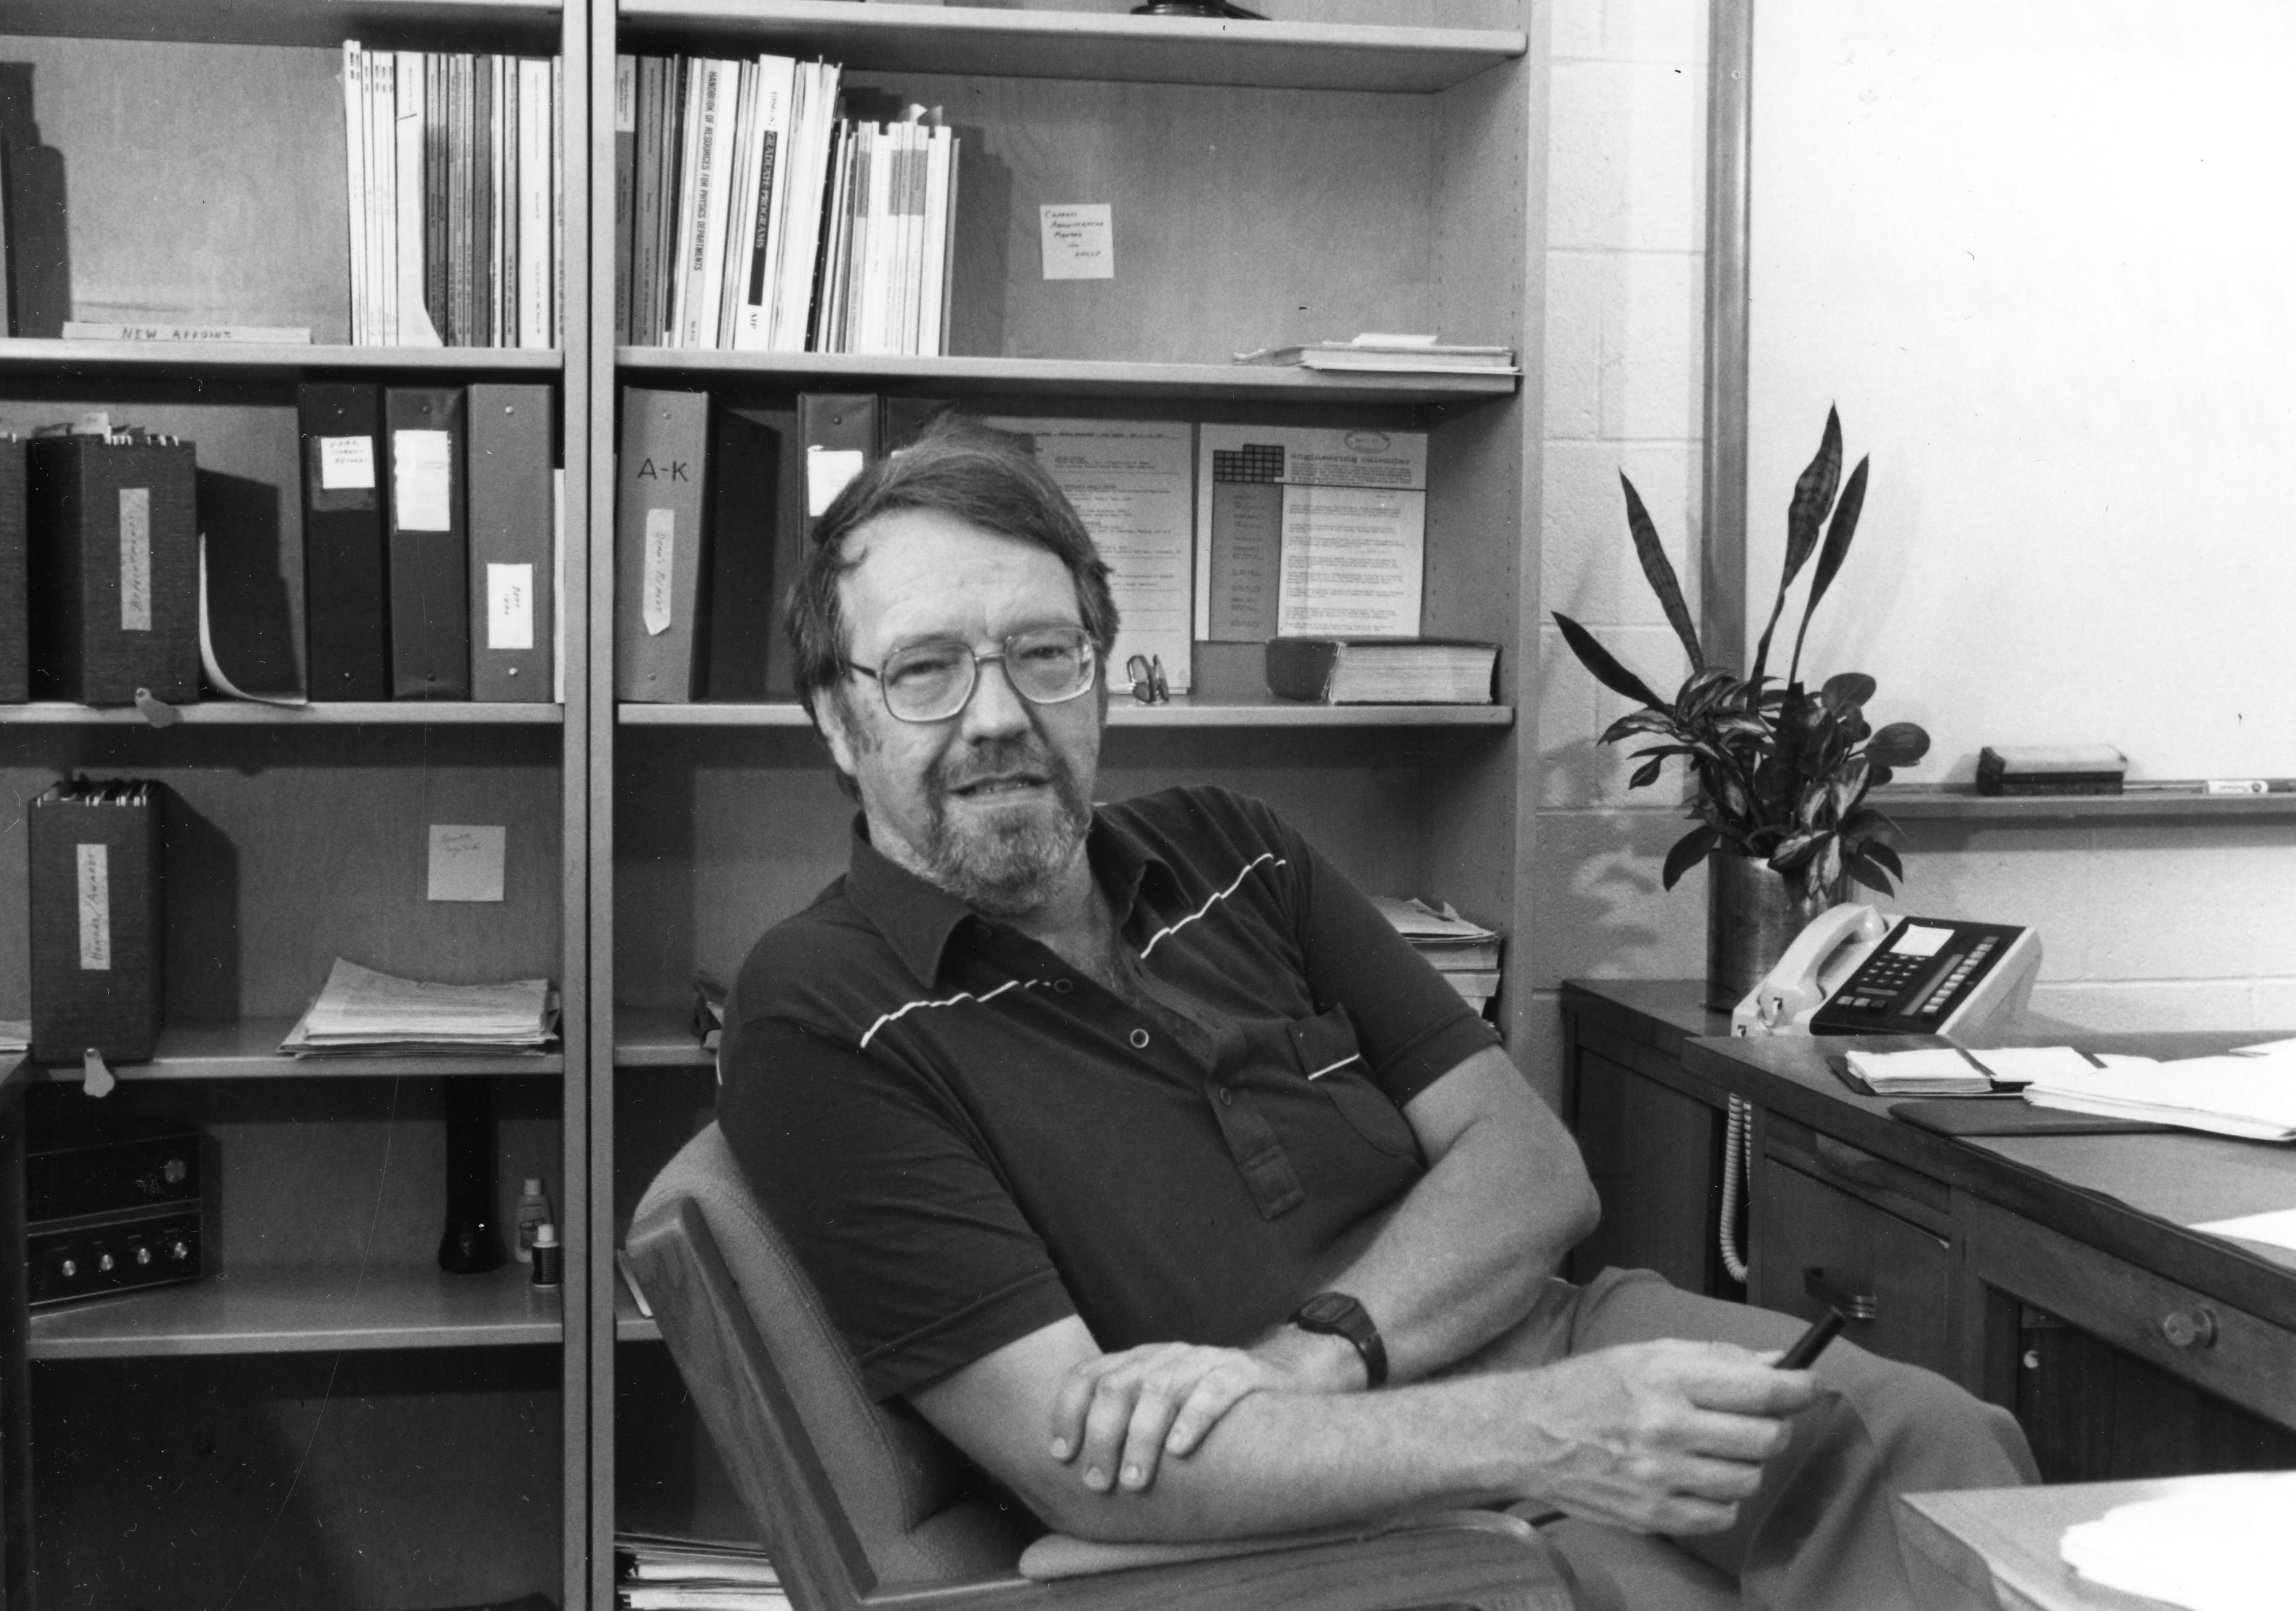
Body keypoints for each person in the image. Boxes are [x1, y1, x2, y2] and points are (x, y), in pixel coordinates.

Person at [717, 420, 2036, 1610]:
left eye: (1043, 653)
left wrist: (1323, 1352)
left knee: (1938, 1448)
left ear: (1104, 671)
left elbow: (1533, 1168)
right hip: (1291, 1495)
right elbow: (1085, 1459)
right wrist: (1550, 1430)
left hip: (1505, 1343)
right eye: (928, 672)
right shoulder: (821, 1012)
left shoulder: (1236, 846)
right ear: (839, 720)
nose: (1000, 715)